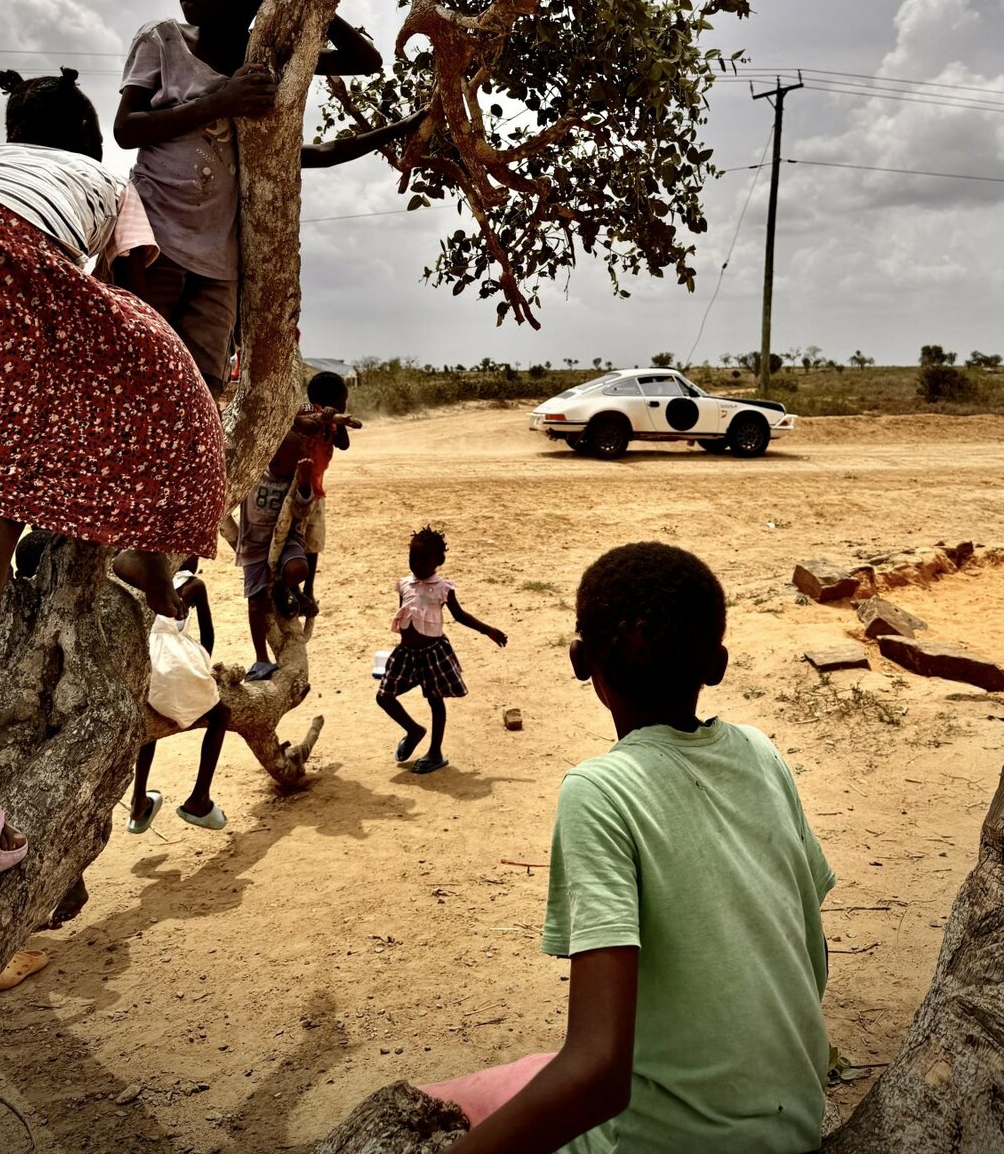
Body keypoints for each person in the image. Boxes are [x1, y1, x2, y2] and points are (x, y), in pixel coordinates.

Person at [0, 68, 226, 879]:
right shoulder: (105, 180)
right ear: (89, 142)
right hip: (5, 248)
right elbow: (129, 285)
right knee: (24, 456)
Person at [422, 542, 835, 1154]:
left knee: (436, 1105)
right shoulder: (761, 754)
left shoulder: (600, 792)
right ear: (716, 664)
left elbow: (598, 1076)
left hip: (666, 1142)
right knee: (527, 1071)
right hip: (793, 1123)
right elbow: (811, 959)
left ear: (581, 660)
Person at [113, 0, 421, 394]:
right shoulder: (164, 40)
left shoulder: (267, 58)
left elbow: (365, 62)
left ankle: (193, 469)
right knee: (140, 379)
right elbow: (126, 130)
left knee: (202, 391)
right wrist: (219, 103)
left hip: (218, 262)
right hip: (155, 246)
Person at [376, 525, 507, 776]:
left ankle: (435, 752)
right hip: (405, 654)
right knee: (384, 696)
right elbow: (404, 615)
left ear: (439, 561)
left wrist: (488, 630)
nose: (417, 564)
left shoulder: (443, 588)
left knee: (435, 701)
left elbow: (459, 616)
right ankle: (414, 730)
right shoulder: (404, 584)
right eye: (412, 558)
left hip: (433, 653)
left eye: (424, 559)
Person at [125, 562, 232, 833]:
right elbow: (207, 635)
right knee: (221, 716)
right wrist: (202, 670)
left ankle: (139, 801)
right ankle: (199, 798)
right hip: (172, 662)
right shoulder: (193, 585)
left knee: (151, 722)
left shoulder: (135, 573)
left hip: (140, 660)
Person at [271, 369, 361, 604]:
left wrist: (337, 421)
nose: (345, 404)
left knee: (312, 544)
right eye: (343, 400)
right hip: (295, 489)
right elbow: (302, 419)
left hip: (317, 493)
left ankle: (308, 589)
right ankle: (291, 588)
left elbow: (344, 444)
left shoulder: (334, 422)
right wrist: (323, 415)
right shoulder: (306, 411)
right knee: (292, 540)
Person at [236, 453, 318, 682]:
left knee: (299, 569)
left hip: (287, 541)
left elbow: (302, 512)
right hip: (253, 543)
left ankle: (282, 587)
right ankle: (261, 658)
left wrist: (303, 484)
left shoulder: (294, 479)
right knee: (255, 601)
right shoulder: (253, 470)